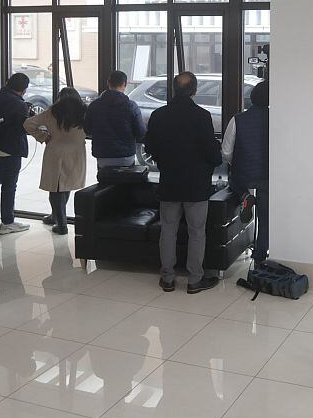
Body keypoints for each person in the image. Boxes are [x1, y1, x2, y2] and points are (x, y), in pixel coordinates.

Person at [144, 72, 223, 294]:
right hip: (196, 184)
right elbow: (212, 153)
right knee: (197, 232)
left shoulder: (159, 115)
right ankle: (194, 280)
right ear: (195, 90)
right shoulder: (202, 116)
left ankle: (167, 278)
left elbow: (150, 147)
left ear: (173, 89)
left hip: (169, 181)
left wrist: (163, 160)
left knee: (167, 230)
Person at [23, 87, 87, 236]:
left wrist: (43, 136)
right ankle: (58, 217)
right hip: (77, 152)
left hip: (55, 152)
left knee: (56, 188)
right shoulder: (84, 111)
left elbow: (28, 124)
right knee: (66, 185)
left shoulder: (53, 111)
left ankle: (60, 223)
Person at [223, 80, 270, 263]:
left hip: (244, 176)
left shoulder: (238, 119)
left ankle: (244, 197)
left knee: (233, 179)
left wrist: (235, 163)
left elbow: (226, 151)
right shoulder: (277, 118)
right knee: (266, 218)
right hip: (268, 175)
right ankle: (260, 255)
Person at [0, 72, 31, 234]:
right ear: (23, 90)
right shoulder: (19, 104)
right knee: (9, 186)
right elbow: (22, 127)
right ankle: (7, 222)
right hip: (10, 150)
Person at [84, 70, 145, 172]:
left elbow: (87, 129)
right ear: (125, 84)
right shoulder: (131, 106)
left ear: (108, 83)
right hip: (126, 156)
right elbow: (141, 132)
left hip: (103, 156)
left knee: (105, 185)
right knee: (125, 185)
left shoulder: (94, 106)